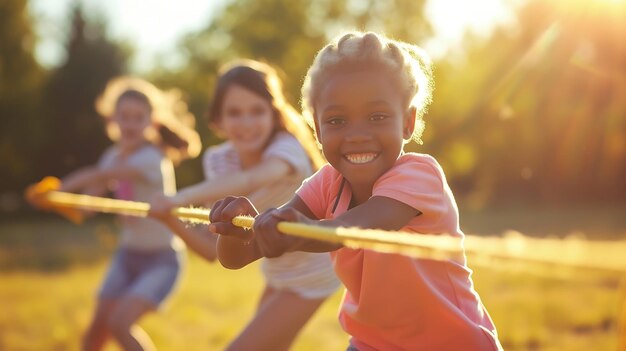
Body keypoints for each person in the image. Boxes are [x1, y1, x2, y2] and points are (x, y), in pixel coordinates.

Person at [207, 32, 504, 351]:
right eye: (337, 120)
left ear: (407, 122)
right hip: (372, 344)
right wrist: (236, 229)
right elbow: (239, 257)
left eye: (377, 117)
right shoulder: (326, 184)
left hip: (453, 344)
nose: (358, 134)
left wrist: (291, 231)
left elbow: (354, 228)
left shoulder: (419, 174)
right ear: (318, 131)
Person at [149, 59, 340, 351]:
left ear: (274, 114)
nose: (247, 123)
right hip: (277, 271)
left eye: (257, 111)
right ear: (218, 120)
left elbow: (252, 179)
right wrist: (169, 219)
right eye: (235, 113)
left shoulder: (287, 149)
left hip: (313, 271)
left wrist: (178, 198)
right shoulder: (219, 160)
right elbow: (213, 250)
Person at [57, 76, 201, 351]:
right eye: (124, 117)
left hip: (161, 260)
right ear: (112, 120)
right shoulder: (112, 156)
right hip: (127, 256)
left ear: (152, 122)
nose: (131, 124)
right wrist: (61, 203)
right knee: (95, 332)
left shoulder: (151, 158)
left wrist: (58, 188)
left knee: (120, 324)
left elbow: (97, 175)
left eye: (138, 117)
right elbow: (88, 206)